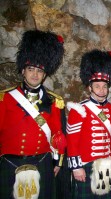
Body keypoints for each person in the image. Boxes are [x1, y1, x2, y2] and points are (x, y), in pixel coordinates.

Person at [0, 30, 67, 199]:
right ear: (23, 70)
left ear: (44, 75)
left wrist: (57, 162)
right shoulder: (5, 98)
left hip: (42, 162)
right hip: (10, 164)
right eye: (31, 69)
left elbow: (58, 134)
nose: (35, 74)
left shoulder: (54, 101)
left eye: (39, 71)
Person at [66, 49, 111, 198]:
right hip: (86, 166)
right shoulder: (79, 109)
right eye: (97, 86)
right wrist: (76, 168)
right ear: (90, 87)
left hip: (106, 166)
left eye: (105, 86)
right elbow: (71, 141)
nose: (101, 91)